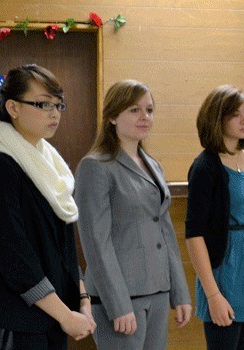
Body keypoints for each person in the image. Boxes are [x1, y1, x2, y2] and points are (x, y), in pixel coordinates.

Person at [0, 64, 96, 350]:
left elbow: (63, 247)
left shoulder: (50, 167)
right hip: (8, 322)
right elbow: (15, 257)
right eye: (43, 104)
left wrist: (83, 299)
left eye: (59, 105)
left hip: (49, 319)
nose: (54, 113)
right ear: (13, 107)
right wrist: (65, 315)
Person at [75, 80, 192, 350]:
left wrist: (180, 293)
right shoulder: (95, 166)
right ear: (113, 117)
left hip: (158, 290)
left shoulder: (153, 166)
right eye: (134, 110)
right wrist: (118, 305)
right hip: (121, 299)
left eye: (149, 110)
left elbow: (165, 233)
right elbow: (96, 244)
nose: (145, 117)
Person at [185, 85, 244, 350]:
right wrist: (213, 294)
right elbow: (194, 234)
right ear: (217, 118)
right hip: (225, 263)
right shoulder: (205, 166)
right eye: (235, 114)